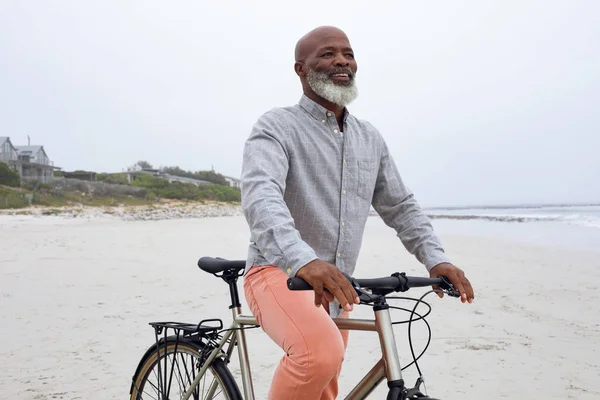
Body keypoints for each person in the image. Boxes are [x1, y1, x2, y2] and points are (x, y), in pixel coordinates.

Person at [240, 25, 474, 400]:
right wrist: (303, 260)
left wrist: (436, 259)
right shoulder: (276, 126)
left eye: (348, 54)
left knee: (325, 384)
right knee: (318, 356)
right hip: (278, 271)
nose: (341, 61)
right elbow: (261, 197)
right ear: (300, 69)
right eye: (328, 54)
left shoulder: (370, 138)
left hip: (338, 285)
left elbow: (400, 206)